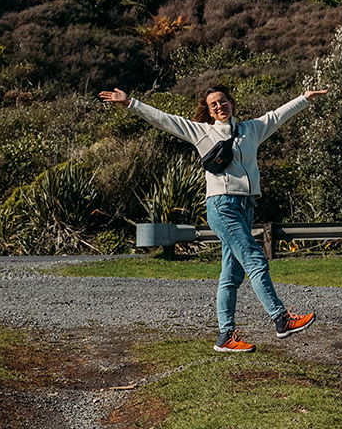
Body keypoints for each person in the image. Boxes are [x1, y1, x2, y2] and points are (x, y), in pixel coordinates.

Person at [99, 84, 327, 353]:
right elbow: (164, 120)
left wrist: (304, 98)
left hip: (246, 205)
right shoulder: (202, 132)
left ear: (232, 102)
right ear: (208, 111)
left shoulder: (252, 128)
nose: (219, 106)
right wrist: (131, 103)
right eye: (213, 105)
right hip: (222, 206)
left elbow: (278, 115)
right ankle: (281, 319)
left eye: (223, 101)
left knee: (232, 273)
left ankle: (225, 337)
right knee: (254, 259)